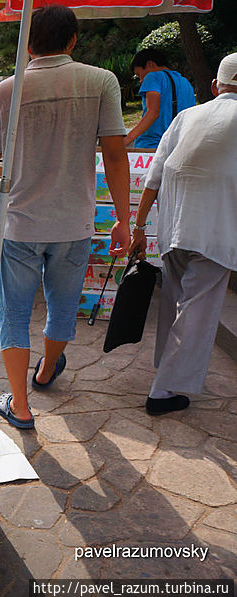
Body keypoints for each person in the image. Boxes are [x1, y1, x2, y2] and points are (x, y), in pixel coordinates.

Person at [0, 5, 131, 429]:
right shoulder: (100, 81)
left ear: (28, 44)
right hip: (74, 222)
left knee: (14, 313)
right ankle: (46, 371)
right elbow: (115, 154)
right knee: (63, 308)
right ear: (72, 41)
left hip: (21, 224)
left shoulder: (8, 89)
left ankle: (21, 407)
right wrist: (124, 220)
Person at [129, 53, 237, 416]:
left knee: (176, 303)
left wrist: (139, 228)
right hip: (215, 233)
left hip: (171, 228)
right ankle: (163, 391)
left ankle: (168, 371)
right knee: (197, 311)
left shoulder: (187, 116)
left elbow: (153, 177)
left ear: (214, 86)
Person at [123, 49, 195, 150]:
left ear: (150, 64)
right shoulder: (185, 83)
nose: (141, 80)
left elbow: (153, 112)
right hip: (178, 146)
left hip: (151, 145)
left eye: (139, 74)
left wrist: (127, 139)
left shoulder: (152, 77)